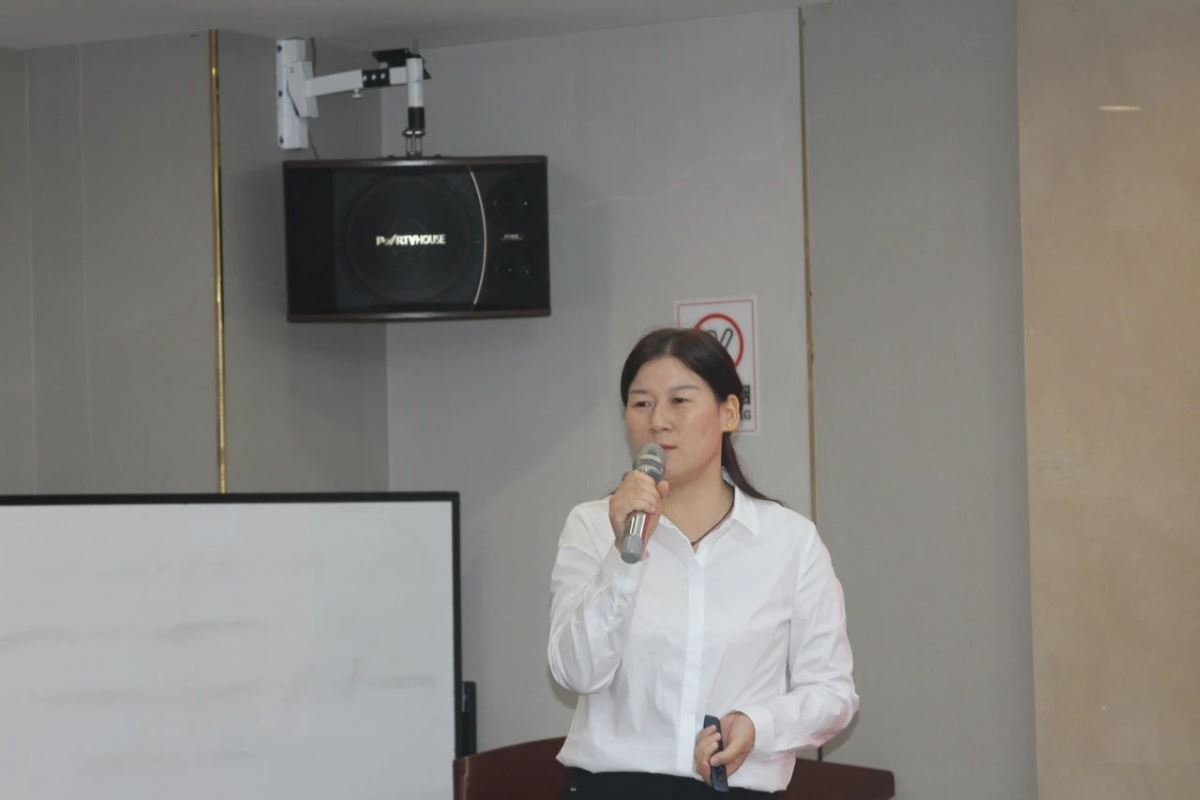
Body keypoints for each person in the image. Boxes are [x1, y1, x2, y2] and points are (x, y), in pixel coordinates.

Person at [547, 327, 859, 798]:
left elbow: (833, 694)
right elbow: (576, 672)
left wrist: (759, 724)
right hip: (611, 787)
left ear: (728, 412)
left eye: (679, 401)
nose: (658, 421)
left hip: (734, 789)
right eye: (641, 403)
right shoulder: (592, 525)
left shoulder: (789, 540)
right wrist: (624, 554)